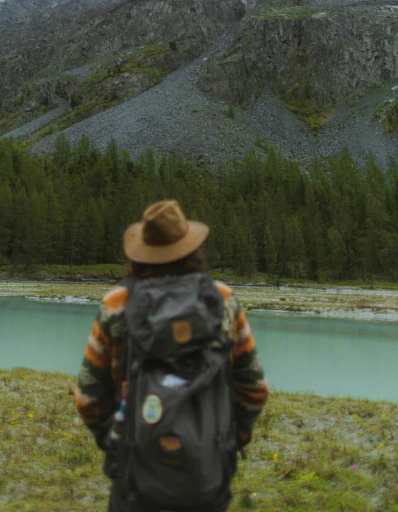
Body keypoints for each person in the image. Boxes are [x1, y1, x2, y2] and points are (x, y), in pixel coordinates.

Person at [75, 200, 269, 512]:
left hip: (135, 480)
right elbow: (255, 390)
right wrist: (228, 443)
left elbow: (88, 399)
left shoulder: (115, 305)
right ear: (191, 249)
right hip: (206, 476)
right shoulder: (222, 301)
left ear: (141, 253)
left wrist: (119, 444)